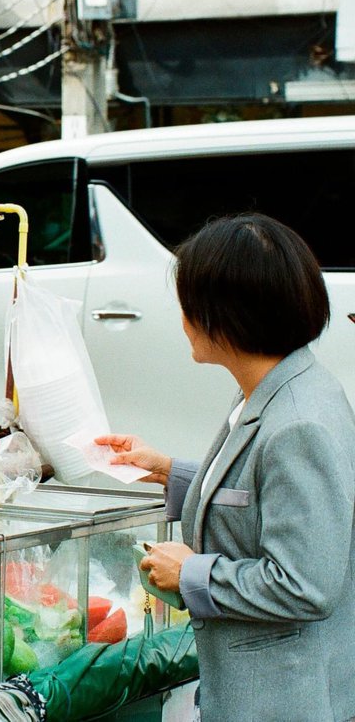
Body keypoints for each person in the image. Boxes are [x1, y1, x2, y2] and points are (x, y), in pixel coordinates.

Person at [95, 213, 355, 721]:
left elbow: (305, 584)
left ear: (225, 316)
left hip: (284, 700)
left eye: (188, 307)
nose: (183, 320)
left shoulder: (300, 423)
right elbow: (264, 494)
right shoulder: (282, 387)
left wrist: (190, 573)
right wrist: (171, 470)